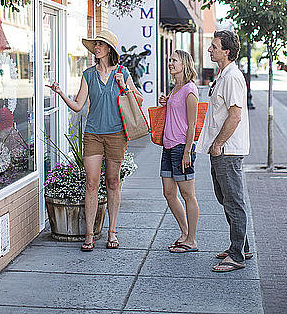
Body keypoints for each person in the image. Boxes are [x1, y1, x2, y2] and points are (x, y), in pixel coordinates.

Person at [48, 29, 142, 252]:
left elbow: (137, 100)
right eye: (95, 45)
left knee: (112, 181)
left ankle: (112, 232)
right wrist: (61, 93)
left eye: (100, 45)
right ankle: (89, 234)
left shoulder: (122, 72)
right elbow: (79, 105)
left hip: (117, 134)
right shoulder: (88, 74)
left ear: (109, 49)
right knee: (91, 183)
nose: (96, 48)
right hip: (93, 134)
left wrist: (124, 85)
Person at [196, 30, 252, 272]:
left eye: (214, 46)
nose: (210, 50)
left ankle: (237, 256)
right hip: (220, 150)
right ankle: (241, 247)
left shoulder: (231, 78)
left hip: (227, 151)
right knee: (225, 199)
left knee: (233, 201)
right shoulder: (223, 75)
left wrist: (218, 143)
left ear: (226, 51)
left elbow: (235, 116)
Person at [159, 50, 199, 253]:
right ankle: (184, 233)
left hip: (181, 148)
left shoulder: (190, 90)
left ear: (184, 63)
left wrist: (187, 153)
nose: (170, 63)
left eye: (174, 60)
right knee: (169, 193)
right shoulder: (175, 87)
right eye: (170, 60)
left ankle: (192, 240)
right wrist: (166, 103)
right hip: (168, 147)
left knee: (188, 194)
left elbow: (192, 125)